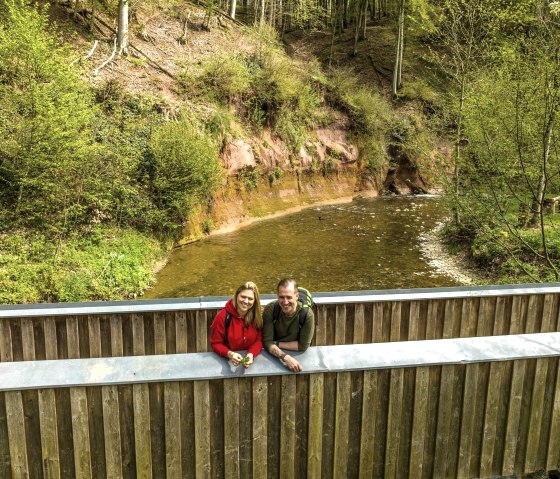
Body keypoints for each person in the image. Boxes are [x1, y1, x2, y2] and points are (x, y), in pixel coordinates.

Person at [262, 278, 315, 372]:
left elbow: (303, 346)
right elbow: (267, 342)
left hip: (298, 355)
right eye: (281, 297)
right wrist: (285, 357)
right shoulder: (271, 309)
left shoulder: (306, 314)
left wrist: (276, 343)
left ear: (297, 296)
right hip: (277, 355)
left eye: (289, 297)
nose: (285, 302)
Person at [210, 281, 263, 368]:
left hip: (252, 360)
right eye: (243, 297)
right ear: (236, 296)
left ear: (255, 301)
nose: (246, 301)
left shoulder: (257, 316)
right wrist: (230, 354)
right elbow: (215, 343)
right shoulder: (222, 316)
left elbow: (259, 339)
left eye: (250, 298)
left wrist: (251, 354)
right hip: (228, 361)